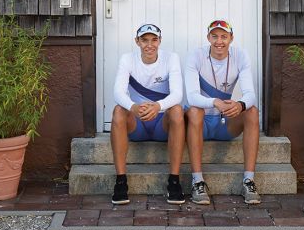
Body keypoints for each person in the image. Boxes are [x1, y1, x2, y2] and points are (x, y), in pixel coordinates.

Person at [184, 19, 261, 205]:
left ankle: (249, 180)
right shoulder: (196, 55)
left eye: (224, 36)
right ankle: (197, 181)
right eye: (215, 36)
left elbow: (251, 94)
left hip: (224, 123)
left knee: (252, 111)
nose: (219, 41)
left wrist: (240, 105)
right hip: (199, 123)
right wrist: (214, 101)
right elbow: (192, 96)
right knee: (194, 111)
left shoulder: (240, 55)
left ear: (231, 38)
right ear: (208, 37)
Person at [110, 23, 186, 205]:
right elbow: (118, 92)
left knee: (176, 110)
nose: (149, 45)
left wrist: (157, 106)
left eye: (154, 40)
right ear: (137, 42)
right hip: (138, 123)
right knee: (119, 110)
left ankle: (174, 181)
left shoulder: (171, 58)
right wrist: (134, 107)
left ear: (160, 41)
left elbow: (177, 94)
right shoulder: (127, 59)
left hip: (161, 124)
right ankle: (121, 182)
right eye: (144, 40)